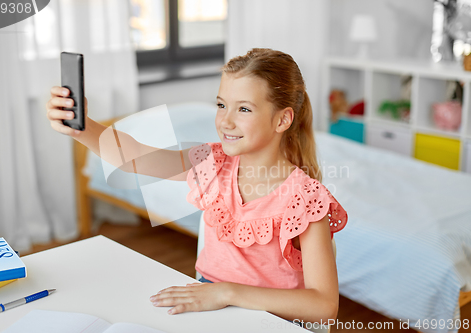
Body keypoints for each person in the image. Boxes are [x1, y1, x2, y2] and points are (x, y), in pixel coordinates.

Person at [46, 48, 348, 325]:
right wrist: (83, 127)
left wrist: (227, 293)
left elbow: (323, 306)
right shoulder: (213, 161)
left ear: (282, 120)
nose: (225, 121)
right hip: (210, 307)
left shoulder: (305, 199)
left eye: (243, 109)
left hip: (269, 320)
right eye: (221, 105)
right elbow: (138, 158)